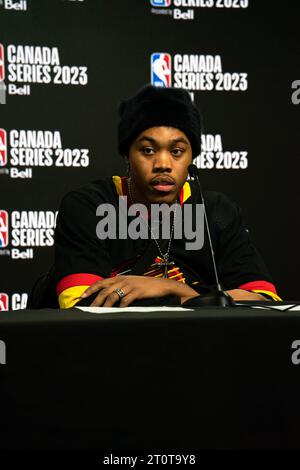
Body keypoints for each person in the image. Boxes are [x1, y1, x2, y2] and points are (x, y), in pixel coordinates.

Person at [54, 85, 281, 309]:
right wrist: (201, 299)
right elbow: (83, 305)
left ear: (192, 156)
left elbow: (263, 300)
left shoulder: (217, 212)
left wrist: (170, 288)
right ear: (127, 154)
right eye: (148, 150)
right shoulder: (89, 207)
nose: (163, 165)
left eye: (177, 151)